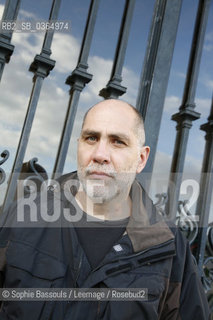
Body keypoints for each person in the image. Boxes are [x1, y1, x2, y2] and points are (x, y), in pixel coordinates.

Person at [0, 99, 210, 319]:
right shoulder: (24, 215)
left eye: (117, 141)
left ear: (141, 159)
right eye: (91, 138)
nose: (100, 154)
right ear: (79, 145)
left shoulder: (169, 246)